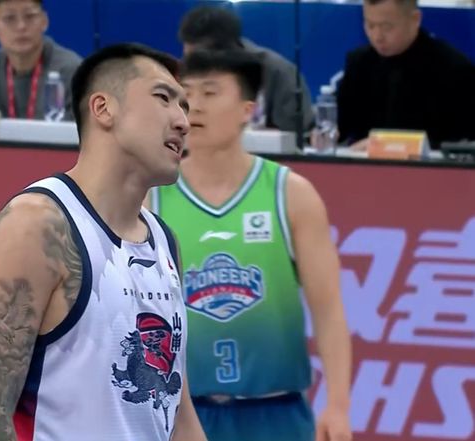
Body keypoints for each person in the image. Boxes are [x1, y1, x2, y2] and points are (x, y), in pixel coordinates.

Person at [0, 43, 207, 441]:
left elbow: (178, 412)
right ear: (103, 109)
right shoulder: (36, 224)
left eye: (184, 106)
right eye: (164, 98)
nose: (183, 121)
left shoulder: (165, 241)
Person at [150, 49, 352, 441]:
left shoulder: (289, 193)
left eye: (211, 92)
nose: (195, 105)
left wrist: (338, 405)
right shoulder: (152, 196)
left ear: (248, 109)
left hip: (276, 412)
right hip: (183, 415)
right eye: (187, 93)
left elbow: (328, 310)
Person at [337, 0, 475, 149]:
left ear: (415, 19)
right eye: (370, 25)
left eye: (386, 27)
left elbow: (464, 143)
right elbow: (341, 129)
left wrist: (384, 145)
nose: (377, 36)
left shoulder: (454, 69)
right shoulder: (359, 63)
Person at [178, 5, 314, 132]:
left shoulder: (279, 72)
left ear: (226, 50)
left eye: (199, 61)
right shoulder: (185, 70)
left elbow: (295, 134)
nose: (194, 69)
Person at [0, 0, 82, 120]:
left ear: (44, 21)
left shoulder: (73, 72)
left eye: (30, 16)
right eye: (9, 18)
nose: (21, 26)